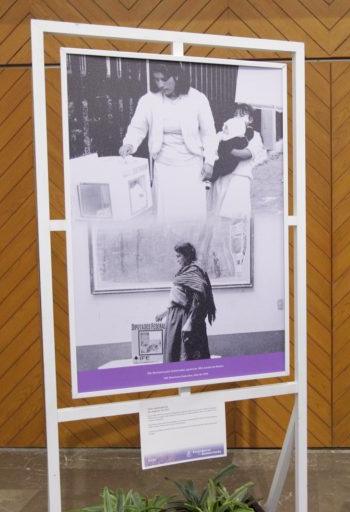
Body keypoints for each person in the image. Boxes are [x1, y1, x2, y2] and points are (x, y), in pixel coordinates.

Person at [119, 61, 216, 220]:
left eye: (164, 79)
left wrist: (210, 161)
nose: (160, 84)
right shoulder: (149, 100)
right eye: (157, 80)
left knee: (192, 217)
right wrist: (129, 143)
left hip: (192, 168)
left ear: (177, 76)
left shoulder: (197, 99)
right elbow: (137, 127)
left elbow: (209, 133)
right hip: (164, 168)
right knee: (167, 218)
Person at [155, 242, 216, 362]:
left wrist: (189, 323)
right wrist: (164, 312)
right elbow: (177, 298)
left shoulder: (194, 271)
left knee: (188, 358)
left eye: (179, 256)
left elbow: (199, 300)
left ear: (187, 256)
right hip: (175, 321)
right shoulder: (184, 272)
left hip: (185, 320)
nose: (177, 260)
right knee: (174, 356)